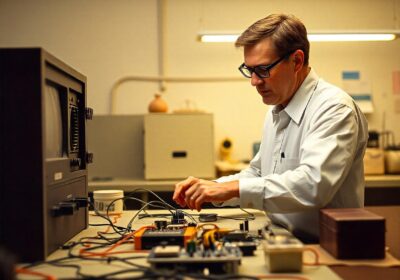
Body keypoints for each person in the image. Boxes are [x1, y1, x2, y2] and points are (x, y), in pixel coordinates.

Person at [173, 14, 368, 242]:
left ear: (296, 61)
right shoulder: (277, 108)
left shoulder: (333, 108)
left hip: (326, 248)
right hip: (282, 237)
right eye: (249, 70)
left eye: (263, 69)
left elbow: (313, 185)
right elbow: (258, 173)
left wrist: (234, 189)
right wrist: (211, 187)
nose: (254, 81)